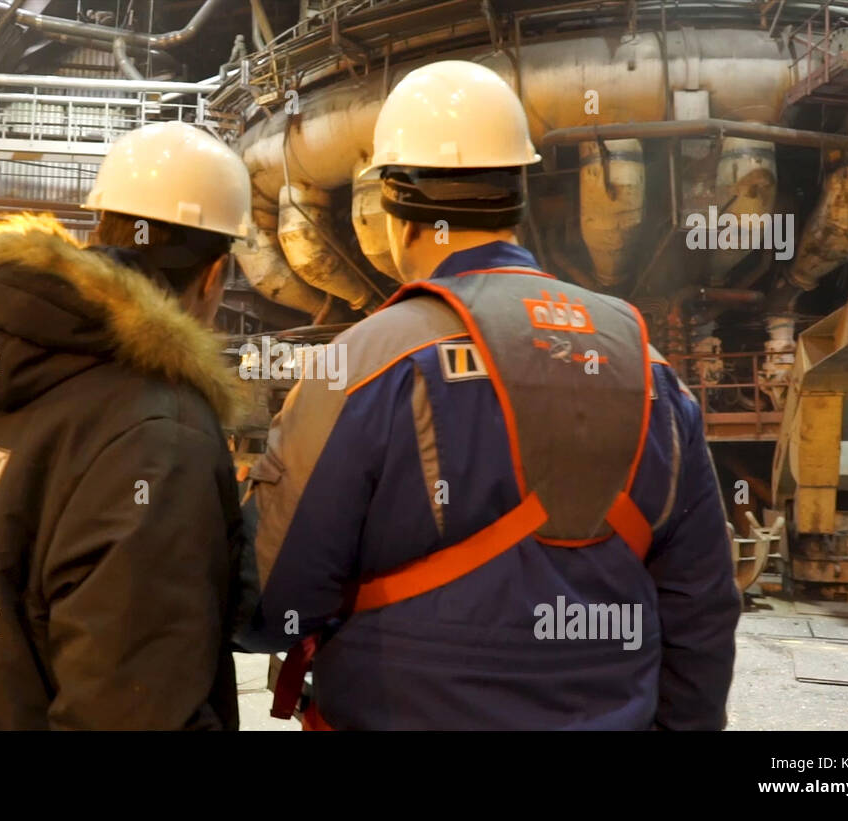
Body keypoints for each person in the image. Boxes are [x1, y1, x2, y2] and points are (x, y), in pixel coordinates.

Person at [245, 60, 741, 730]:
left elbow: (274, 600)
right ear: (519, 196)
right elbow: (702, 612)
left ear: (396, 208)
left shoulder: (361, 366)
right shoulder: (647, 371)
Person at [0, 121, 252, 730]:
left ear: (98, 231)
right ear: (215, 276)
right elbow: (133, 707)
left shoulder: (2, 368)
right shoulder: (162, 431)